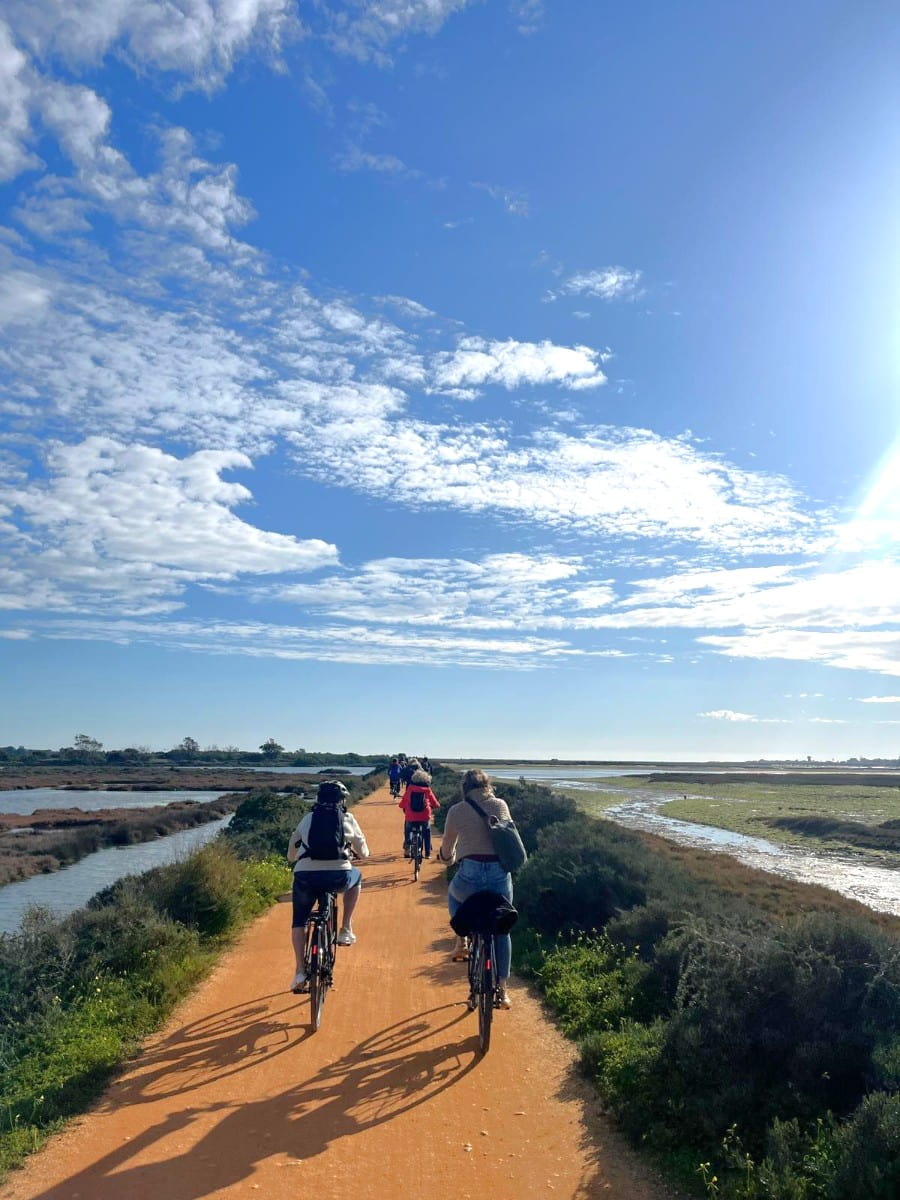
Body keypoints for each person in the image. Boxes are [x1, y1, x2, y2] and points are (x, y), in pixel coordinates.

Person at [437, 768, 513, 1009]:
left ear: (465, 788)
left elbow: (448, 847)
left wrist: (446, 859)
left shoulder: (457, 810)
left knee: (453, 893)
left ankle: (461, 940)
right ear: (487, 785)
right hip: (499, 876)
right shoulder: (500, 805)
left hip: (469, 875)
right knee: (502, 927)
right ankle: (502, 989)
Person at [287, 780, 369, 993]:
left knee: (299, 920)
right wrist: (357, 854)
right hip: (338, 875)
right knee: (357, 878)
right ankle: (344, 929)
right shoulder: (348, 819)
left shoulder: (308, 819)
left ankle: (299, 971)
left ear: (318, 799)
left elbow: (291, 849)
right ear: (342, 800)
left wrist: (293, 858)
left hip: (305, 875)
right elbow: (365, 852)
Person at [399, 767, 440, 857]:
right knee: (427, 831)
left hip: (411, 815)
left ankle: (408, 845)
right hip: (424, 815)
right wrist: (436, 806)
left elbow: (404, 801)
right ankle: (428, 852)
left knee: (408, 829)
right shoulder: (427, 790)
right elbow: (434, 802)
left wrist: (401, 806)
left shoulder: (410, 788)